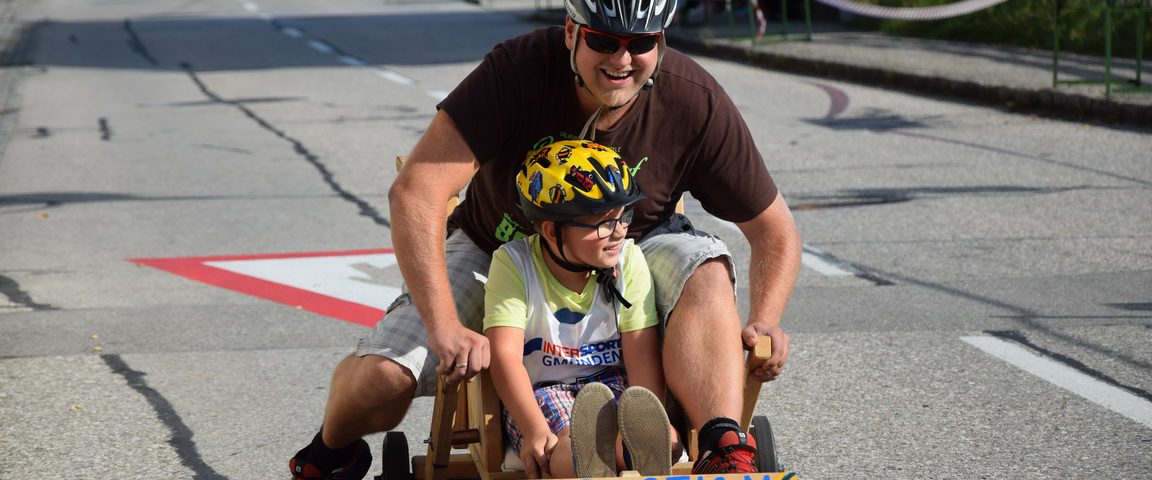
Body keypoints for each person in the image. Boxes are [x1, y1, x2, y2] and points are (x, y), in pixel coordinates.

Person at [289, 0, 801, 477]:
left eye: (640, 43)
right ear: (572, 33)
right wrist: (444, 324)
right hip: (496, 247)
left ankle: (722, 445)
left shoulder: (693, 99)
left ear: (660, 43)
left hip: (633, 246)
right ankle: (332, 450)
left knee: (706, 265)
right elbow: (415, 193)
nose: (623, 58)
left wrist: (766, 320)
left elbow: (773, 228)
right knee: (385, 378)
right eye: (604, 41)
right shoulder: (515, 71)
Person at [486, 140, 676, 478]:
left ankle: (634, 452)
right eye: (604, 223)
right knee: (561, 444)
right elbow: (504, 356)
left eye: (623, 218)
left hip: (615, 383)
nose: (619, 232)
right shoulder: (513, 263)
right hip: (542, 391)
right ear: (550, 230)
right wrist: (532, 428)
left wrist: (651, 410)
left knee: (641, 433)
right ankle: (588, 462)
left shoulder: (627, 259)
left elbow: (641, 352)